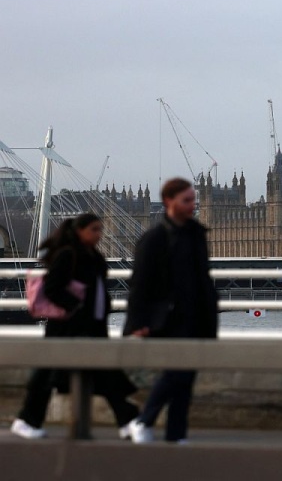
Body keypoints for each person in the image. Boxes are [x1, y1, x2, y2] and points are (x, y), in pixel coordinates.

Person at [10, 214, 140, 440]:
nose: (99, 234)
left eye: (100, 229)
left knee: (99, 371)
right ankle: (127, 419)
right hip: (67, 326)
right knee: (51, 375)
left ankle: (127, 419)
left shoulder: (93, 256)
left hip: (91, 326)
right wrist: (76, 307)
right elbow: (52, 288)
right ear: (79, 230)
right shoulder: (67, 255)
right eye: (94, 229)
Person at [122, 178, 219, 444]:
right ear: (169, 201)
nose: (193, 205)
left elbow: (203, 278)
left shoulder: (197, 234)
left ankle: (177, 434)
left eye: (194, 200)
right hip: (167, 318)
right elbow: (139, 285)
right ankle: (144, 421)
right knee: (175, 372)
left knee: (185, 378)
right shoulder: (153, 238)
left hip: (195, 317)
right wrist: (136, 323)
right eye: (187, 200)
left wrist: (211, 311)